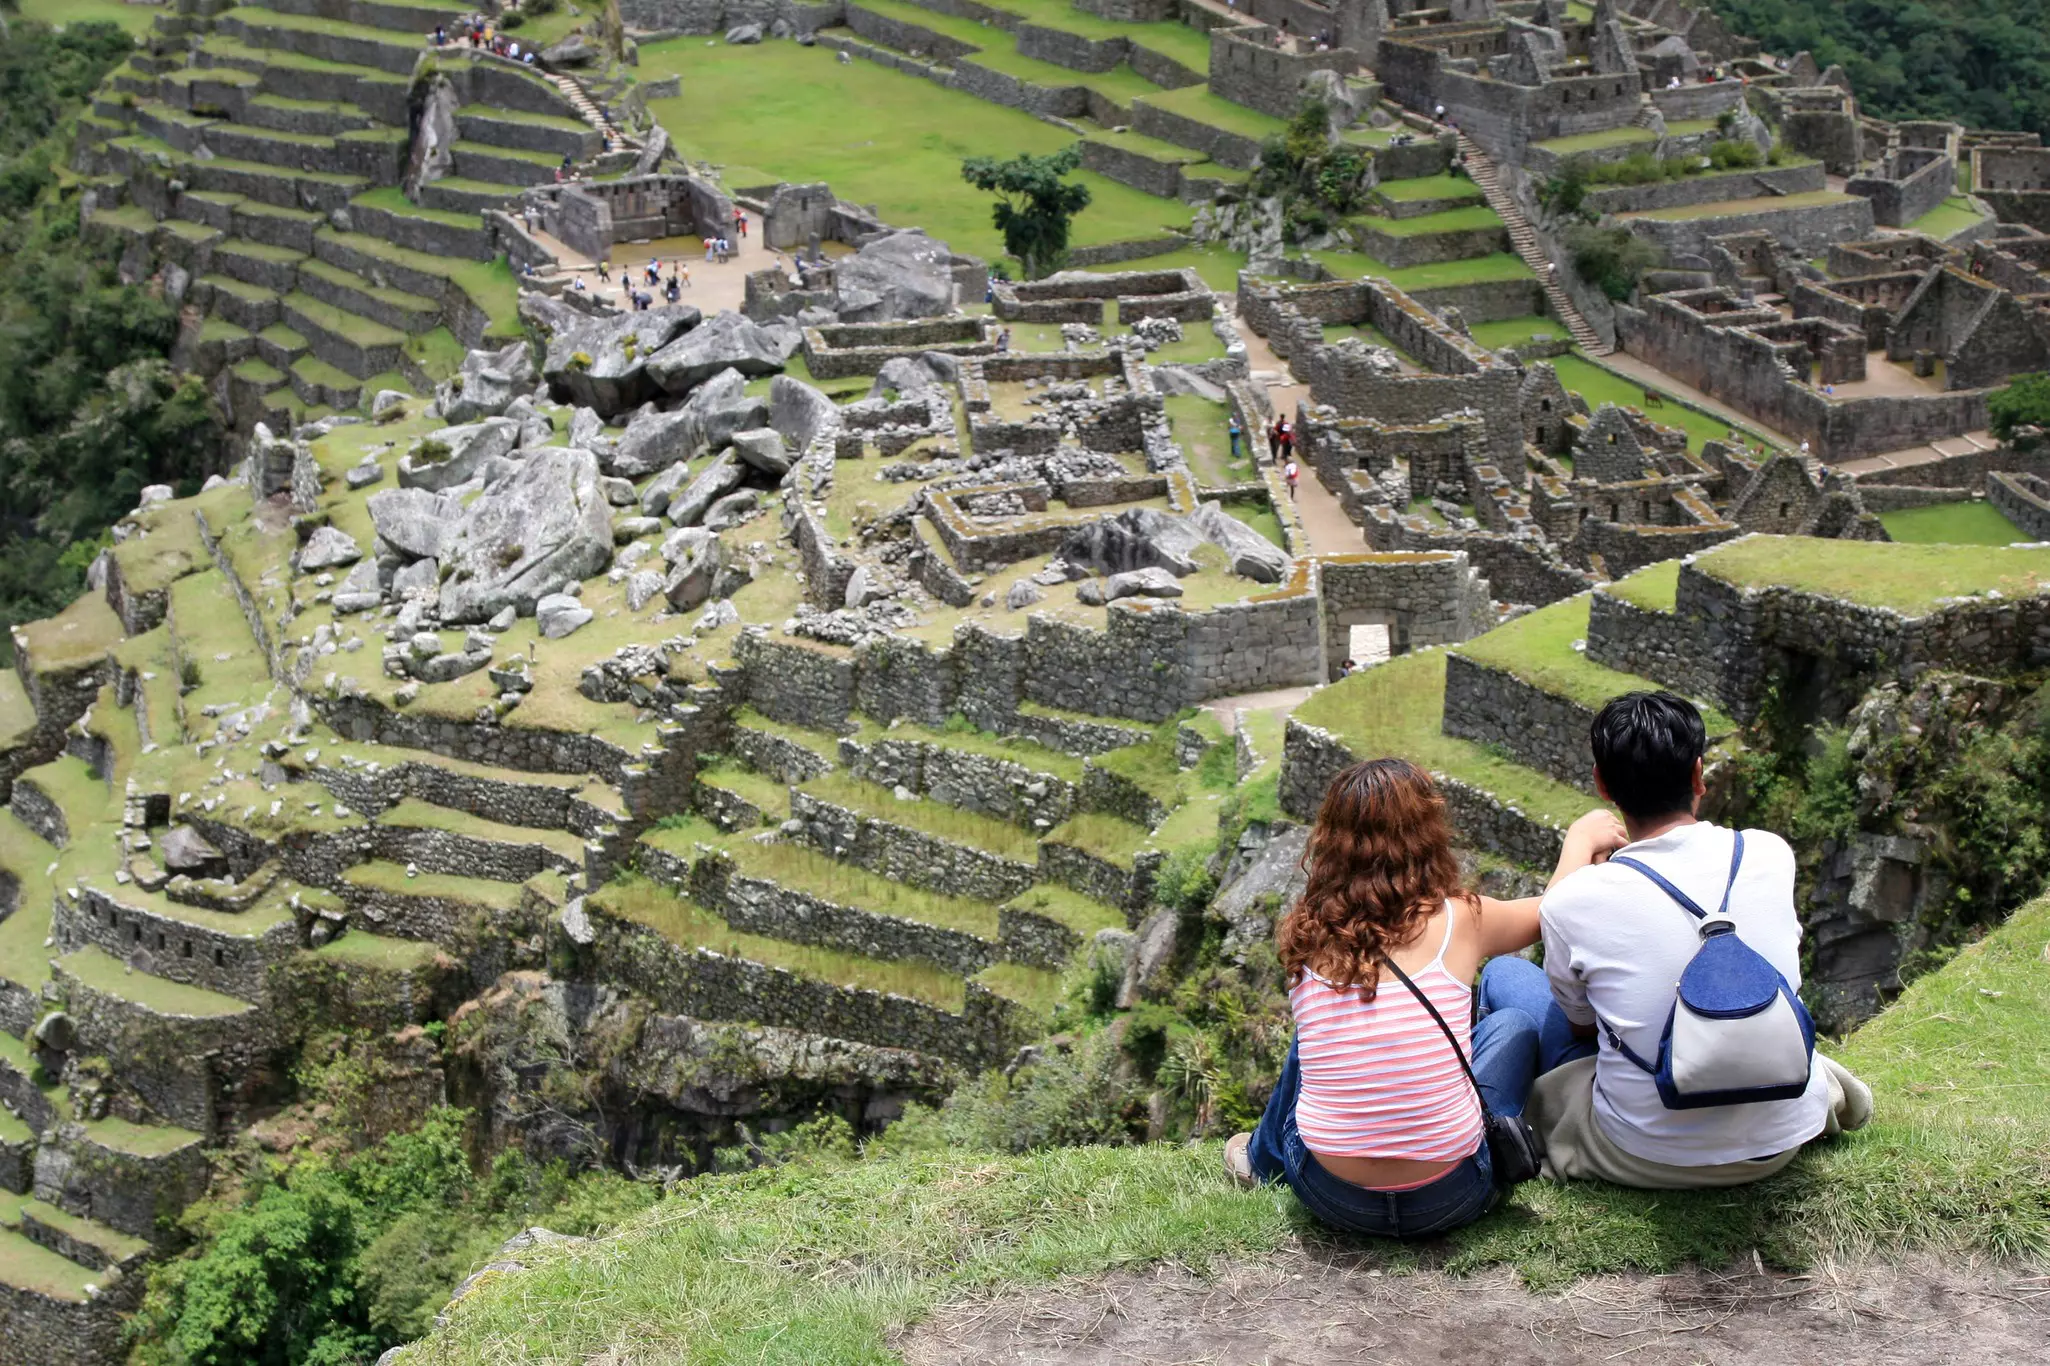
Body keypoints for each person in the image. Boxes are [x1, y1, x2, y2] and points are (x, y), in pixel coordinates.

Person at [1223, 759, 1627, 1238]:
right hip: (1451, 1195)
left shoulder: (1310, 931)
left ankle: (1259, 1160)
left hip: (1330, 1194)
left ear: (1330, 840)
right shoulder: (1461, 921)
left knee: (1318, 1031)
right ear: (1427, 833)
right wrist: (1580, 842)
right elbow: (1550, 911)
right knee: (1515, 1025)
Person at [1496, 691, 1872, 1189]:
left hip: (1649, 1154)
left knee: (1506, 975)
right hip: (1782, 1138)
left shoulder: (1574, 900)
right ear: (1698, 774)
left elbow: (1580, 1027)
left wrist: (1579, 846)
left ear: (1602, 784)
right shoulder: (1770, 853)